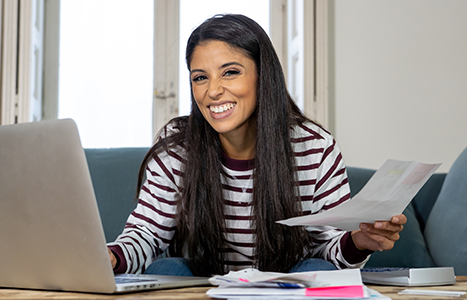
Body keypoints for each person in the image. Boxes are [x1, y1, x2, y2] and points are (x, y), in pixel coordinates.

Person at [106, 14, 407, 277]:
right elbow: (147, 234)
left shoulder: (315, 147)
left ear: (264, 76)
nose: (212, 91)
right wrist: (109, 257)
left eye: (230, 72)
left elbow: (329, 245)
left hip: (285, 281)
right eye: (200, 78)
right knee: (166, 270)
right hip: (203, 281)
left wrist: (359, 242)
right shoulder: (177, 147)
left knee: (319, 271)